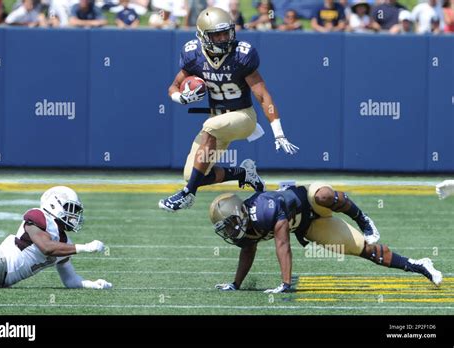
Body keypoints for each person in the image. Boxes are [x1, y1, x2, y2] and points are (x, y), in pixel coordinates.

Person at [159, 7, 298, 212]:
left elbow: (263, 95)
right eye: (217, 34)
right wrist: (181, 97)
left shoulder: (242, 54)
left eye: (227, 32)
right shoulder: (192, 54)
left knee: (209, 127)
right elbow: (172, 87)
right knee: (194, 175)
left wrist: (278, 133)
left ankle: (187, 194)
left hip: (243, 118)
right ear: (203, 36)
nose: (224, 38)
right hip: (217, 123)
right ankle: (243, 174)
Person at [210, 181, 442, 293]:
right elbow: (248, 250)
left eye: (229, 225)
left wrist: (286, 284)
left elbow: (283, 245)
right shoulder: (244, 231)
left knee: (323, 195)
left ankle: (362, 218)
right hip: (308, 226)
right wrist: (235, 284)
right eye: (225, 229)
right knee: (363, 248)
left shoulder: (264, 210)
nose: (229, 232)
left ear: (239, 214)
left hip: (309, 201)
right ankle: (419, 265)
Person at [0, 186, 112, 289]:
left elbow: (70, 280)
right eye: (69, 209)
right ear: (54, 205)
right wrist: (86, 247)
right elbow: (46, 248)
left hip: (2, 280)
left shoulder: (64, 243)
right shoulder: (39, 216)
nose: (73, 216)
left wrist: (93, 284)